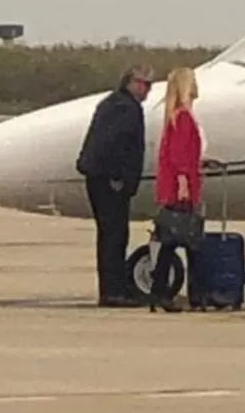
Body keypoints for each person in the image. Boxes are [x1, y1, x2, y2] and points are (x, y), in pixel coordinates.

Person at [75, 64, 154, 307]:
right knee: (114, 235)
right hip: (109, 181)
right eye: (144, 84)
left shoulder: (114, 104)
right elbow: (112, 145)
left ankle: (114, 288)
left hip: (102, 178)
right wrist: (118, 177)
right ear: (131, 82)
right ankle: (112, 292)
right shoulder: (124, 108)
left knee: (113, 234)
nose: (147, 91)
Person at [150, 67, 212, 313]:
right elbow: (179, 155)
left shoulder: (175, 117)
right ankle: (196, 294)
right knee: (191, 241)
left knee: (170, 241)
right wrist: (185, 181)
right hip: (181, 187)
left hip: (176, 183)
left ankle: (160, 293)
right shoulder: (184, 117)